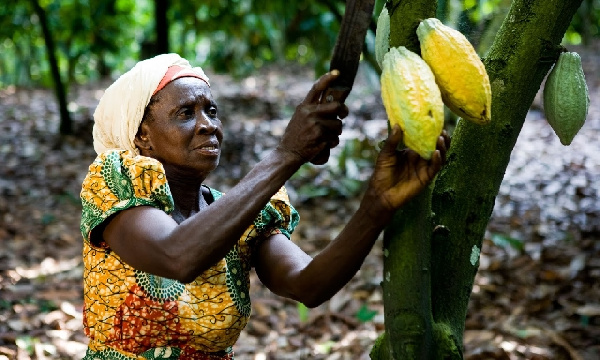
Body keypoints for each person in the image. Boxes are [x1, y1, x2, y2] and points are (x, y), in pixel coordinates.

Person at [80, 53, 449, 359]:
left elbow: (309, 284)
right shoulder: (115, 182)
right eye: (185, 113)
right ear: (142, 134)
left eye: (212, 111)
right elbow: (178, 256)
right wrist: (287, 154)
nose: (208, 125)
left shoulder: (241, 213)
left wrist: (377, 205)